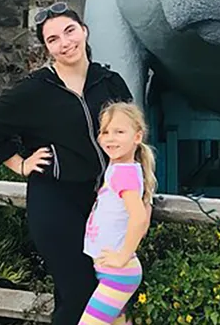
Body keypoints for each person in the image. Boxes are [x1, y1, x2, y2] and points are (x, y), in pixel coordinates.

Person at [0, 1, 134, 325]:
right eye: (53, 39)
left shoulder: (110, 82)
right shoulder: (35, 90)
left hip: (106, 203)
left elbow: (131, 132)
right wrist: (18, 164)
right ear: (47, 48)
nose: (65, 42)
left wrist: (135, 185)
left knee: (110, 291)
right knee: (79, 292)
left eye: (69, 31)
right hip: (56, 202)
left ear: (84, 31)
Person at [79, 102, 157, 325]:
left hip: (117, 274)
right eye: (105, 132)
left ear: (137, 137)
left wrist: (122, 256)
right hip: (110, 270)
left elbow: (139, 217)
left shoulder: (123, 173)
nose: (110, 138)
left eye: (119, 132)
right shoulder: (121, 168)